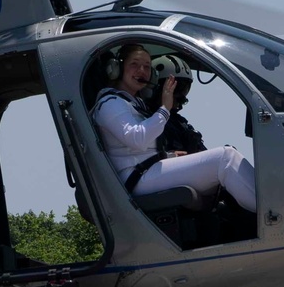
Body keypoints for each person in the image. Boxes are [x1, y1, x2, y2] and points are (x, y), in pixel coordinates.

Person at [90, 46, 257, 212]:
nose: (142, 70)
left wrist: (167, 155)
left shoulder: (130, 102)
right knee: (225, 158)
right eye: (134, 64)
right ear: (117, 68)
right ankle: (273, 213)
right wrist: (164, 109)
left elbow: (139, 150)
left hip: (147, 171)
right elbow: (137, 139)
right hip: (137, 178)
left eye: (147, 66)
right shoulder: (109, 103)